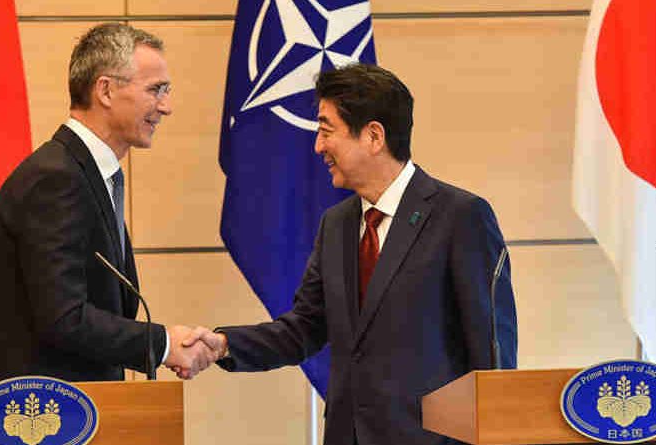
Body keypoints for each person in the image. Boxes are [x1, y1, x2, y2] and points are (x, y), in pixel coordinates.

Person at [179, 63, 518, 445]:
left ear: (373, 136)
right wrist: (223, 345)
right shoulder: (336, 224)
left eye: (326, 131)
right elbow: (304, 329)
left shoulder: (460, 216)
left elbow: (490, 352)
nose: (318, 146)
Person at [0, 23, 216, 384]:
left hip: (79, 411)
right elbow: (64, 317)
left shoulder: (84, 173)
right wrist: (163, 344)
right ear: (105, 90)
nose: (167, 107)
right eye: (155, 90)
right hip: (33, 416)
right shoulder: (55, 179)